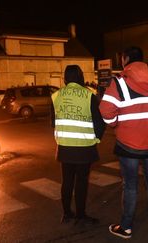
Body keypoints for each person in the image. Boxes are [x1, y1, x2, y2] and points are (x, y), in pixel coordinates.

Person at [99, 46, 148, 239]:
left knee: (130, 185)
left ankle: (126, 226)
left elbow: (105, 110)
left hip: (128, 144)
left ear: (125, 59)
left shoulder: (119, 82)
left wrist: (116, 123)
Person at [51, 65, 106, 225]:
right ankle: (81, 215)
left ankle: (67, 213)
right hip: (85, 148)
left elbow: (53, 123)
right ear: (81, 76)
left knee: (66, 181)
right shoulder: (89, 95)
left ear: (65, 77)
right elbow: (99, 123)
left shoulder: (56, 96)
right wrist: (96, 140)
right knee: (81, 182)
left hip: (64, 148)